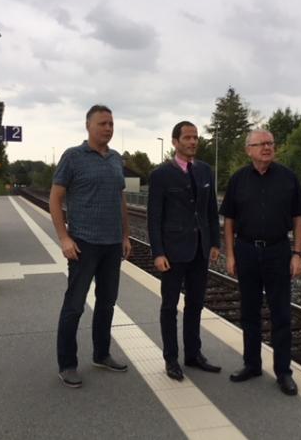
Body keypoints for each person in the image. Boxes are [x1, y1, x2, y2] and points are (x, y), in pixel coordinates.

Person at [219, 129, 301, 396]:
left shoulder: (288, 178)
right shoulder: (238, 179)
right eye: (261, 144)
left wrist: (297, 254)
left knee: (281, 314)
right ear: (248, 150)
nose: (267, 147)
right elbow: (229, 220)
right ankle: (252, 364)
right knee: (249, 312)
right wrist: (231, 255)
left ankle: (283, 372)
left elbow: (299, 217)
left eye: (270, 143)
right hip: (246, 250)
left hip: (278, 251)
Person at [49, 104, 133, 388]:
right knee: (74, 305)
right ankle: (67, 364)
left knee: (107, 303)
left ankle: (101, 354)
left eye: (111, 123)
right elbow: (55, 198)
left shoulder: (116, 159)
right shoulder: (73, 157)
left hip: (112, 245)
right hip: (83, 244)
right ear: (88, 126)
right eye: (102, 123)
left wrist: (125, 235)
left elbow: (120, 199)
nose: (108, 128)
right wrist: (64, 238)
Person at [147, 121, 222, 381]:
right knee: (170, 306)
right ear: (175, 142)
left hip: (200, 250)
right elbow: (154, 217)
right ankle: (171, 358)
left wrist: (214, 243)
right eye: (187, 137)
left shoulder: (205, 171)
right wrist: (158, 252)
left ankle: (193, 354)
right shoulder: (160, 175)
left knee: (196, 304)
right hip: (172, 251)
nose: (192, 142)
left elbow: (210, 210)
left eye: (195, 137)